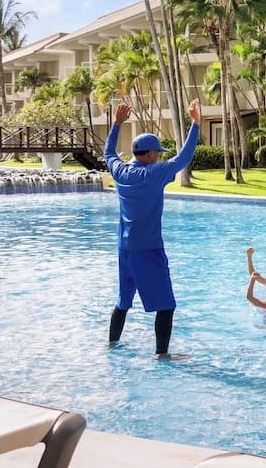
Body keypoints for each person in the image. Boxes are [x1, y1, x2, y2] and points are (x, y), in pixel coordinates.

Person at [105, 99, 201, 357]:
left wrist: (116, 124)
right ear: (148, 155)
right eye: (157, 153)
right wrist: (195, 124)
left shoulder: (120, 172)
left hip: (124, 249)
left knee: (123, 302)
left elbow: (109, 154)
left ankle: (111, 345)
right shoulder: (152, 174)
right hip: (148, 250)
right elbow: (183, 158)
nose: (159, 156)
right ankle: (162, 355)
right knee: (166, 305)